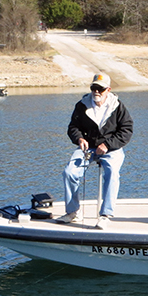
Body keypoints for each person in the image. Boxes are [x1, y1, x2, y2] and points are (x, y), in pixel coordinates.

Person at [58, 73, 134, 228]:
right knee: (69, 172)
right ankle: (73, 212)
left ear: (108, 89)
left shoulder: (118, 106)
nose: (96, 92)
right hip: (88, 148)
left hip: (111, 149)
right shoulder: (82, 105)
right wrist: (79, 139)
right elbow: (73, 127)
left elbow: (126, 130)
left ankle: (106, 215)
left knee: (112, 172)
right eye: (93, 88)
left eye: (100, 88)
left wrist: (108, 145)